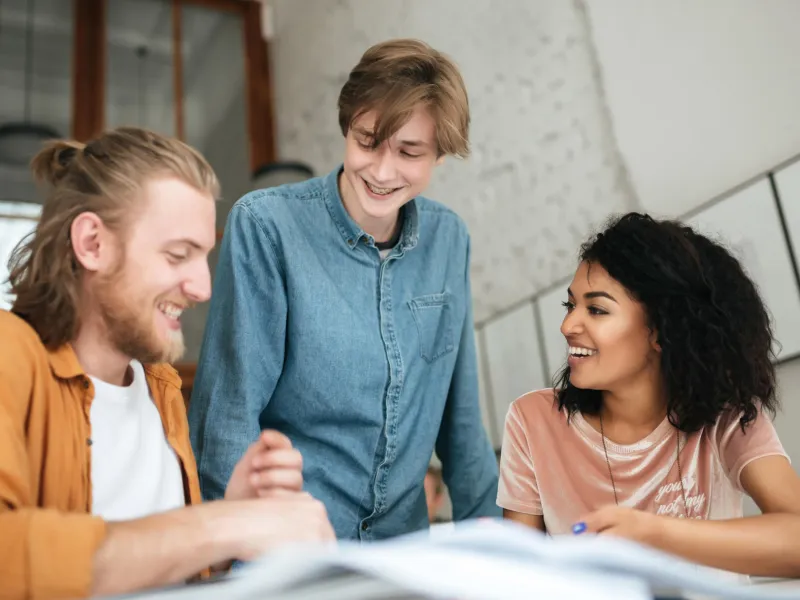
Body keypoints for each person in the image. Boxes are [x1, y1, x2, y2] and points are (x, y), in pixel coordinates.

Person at [0, 128, 334, 600]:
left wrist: (233, 510)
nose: (202, 288)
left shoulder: (160, 390)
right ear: (93, 243)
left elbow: (161, 573)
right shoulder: (9, 353)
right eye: (178, 255)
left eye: (202, 257)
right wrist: (221, 525)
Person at [188, 38, 500, 540]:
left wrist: (498, 552)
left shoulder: (449, 239)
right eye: (367, 141)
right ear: (347, 126)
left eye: (409, 152)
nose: (380, 171)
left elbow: (461, 423)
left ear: (440, 155)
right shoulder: (268, 226)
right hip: (292, 549)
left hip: (403, 551)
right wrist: (237, 559)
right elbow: (228, 418)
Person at [497, 212, 800, 577]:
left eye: (596, 309)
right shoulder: (532, 419)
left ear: (661, 330)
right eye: (570, 305)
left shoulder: (727, 415)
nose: (567, 325)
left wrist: (651, 532)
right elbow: (513, 577)